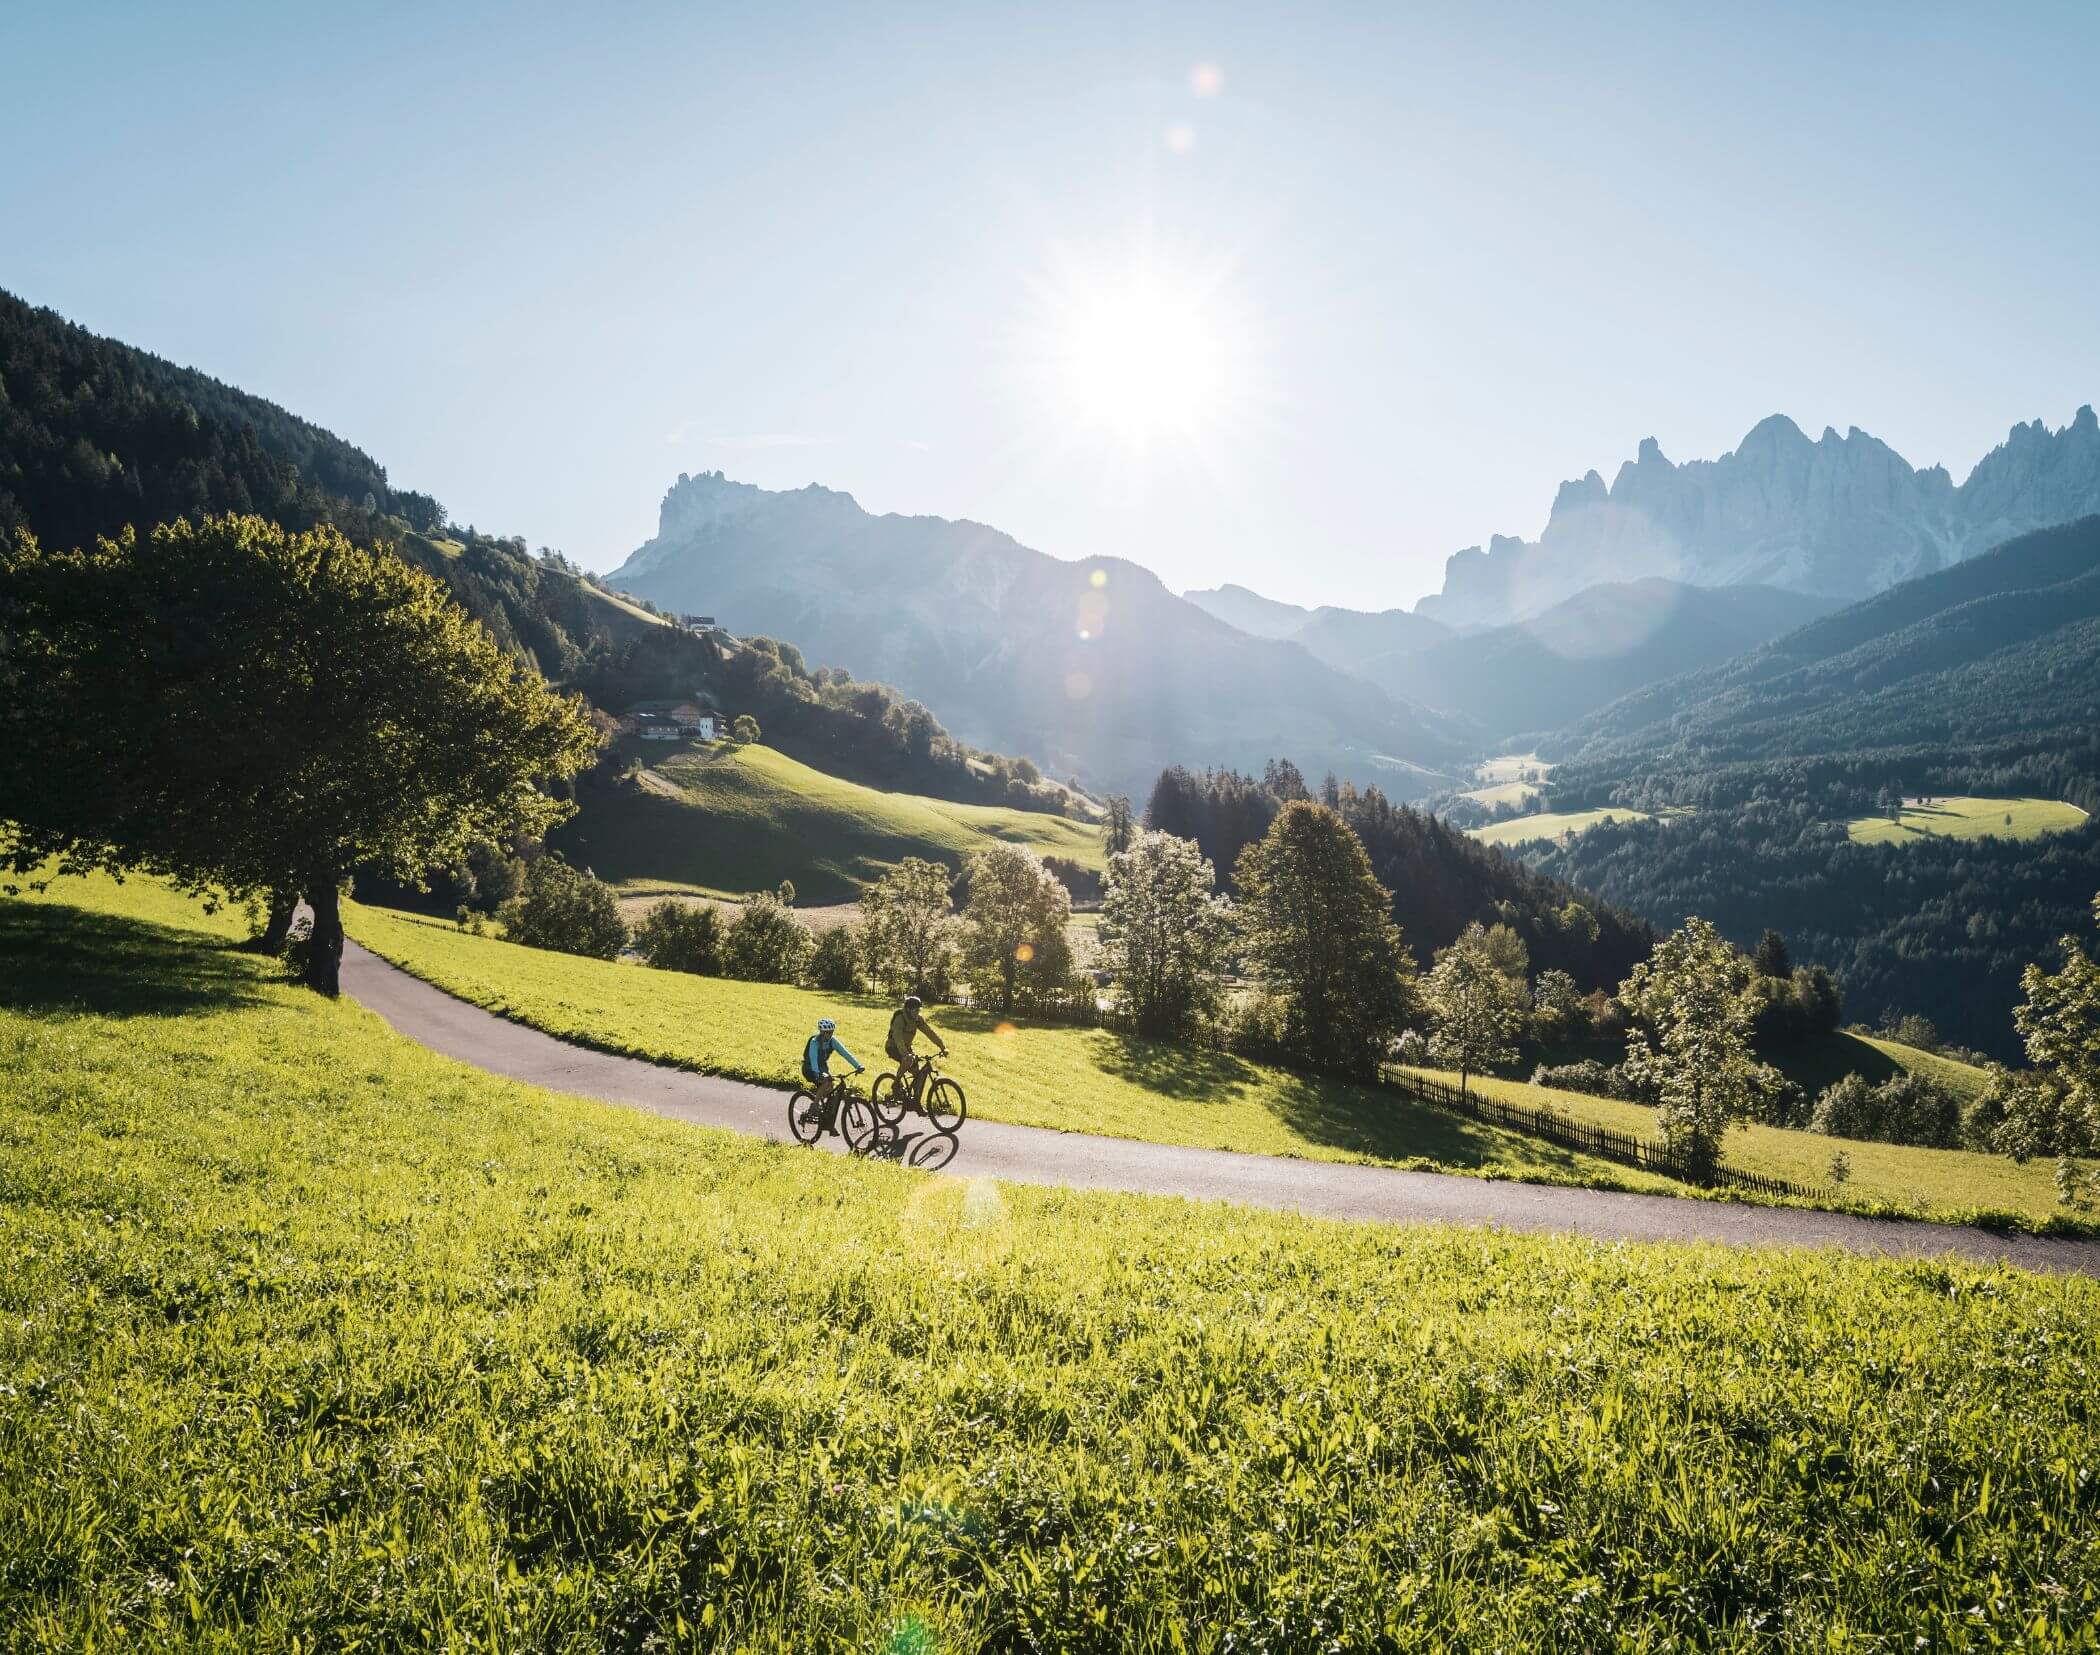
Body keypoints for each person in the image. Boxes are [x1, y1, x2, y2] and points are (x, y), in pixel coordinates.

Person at [885, 993, 948, 1110]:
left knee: (918, 1075)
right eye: (915, 1010)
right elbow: (898, 1038)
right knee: (908, 1060)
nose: (917, 1013)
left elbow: (930, 1032)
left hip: (906, 1048)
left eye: (919, 1010)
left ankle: (916, 1103)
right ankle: (896, 1083)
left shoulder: (917, 1020)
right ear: (908, 1009)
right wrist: (905, 1054)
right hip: (893, 1047)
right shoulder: (900, 1018)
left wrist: (942, 1046)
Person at [801, 1017, 863, 1124]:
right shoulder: (814, 1042)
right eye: (827, 1033)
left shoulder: (832, 1041)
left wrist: (858, 1065)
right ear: (822, 1032)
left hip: (823, 1068)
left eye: (831, 1032)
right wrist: (818, 1074)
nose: (829, 1035)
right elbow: (813, 1058)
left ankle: (826, 1119)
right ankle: (814, 1106)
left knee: (831, 1090)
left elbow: (845, 1054)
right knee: (826, 1082)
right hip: (810, 1068)